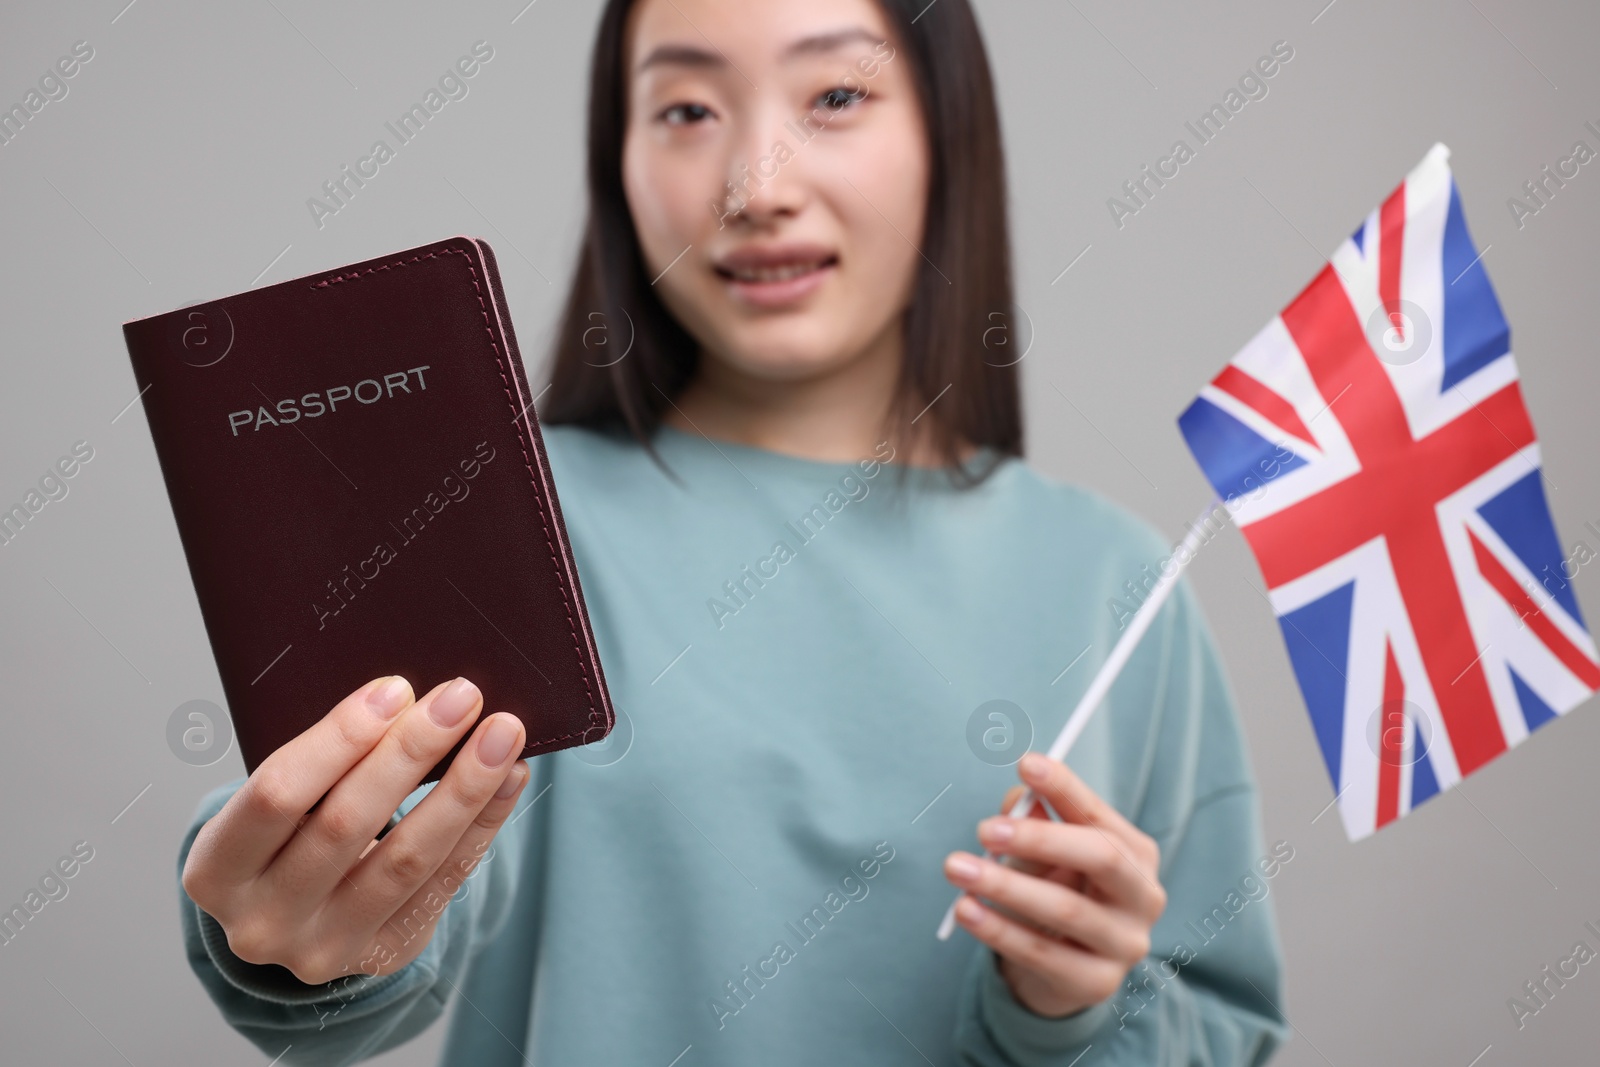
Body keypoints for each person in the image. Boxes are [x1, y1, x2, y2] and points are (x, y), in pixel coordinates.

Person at [176, 0, 1291, 1063]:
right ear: (616, 162)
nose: (757, 187)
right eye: (686, 110)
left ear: (950, 136)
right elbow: (389, 911)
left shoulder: (1117, 578)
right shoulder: (493, 518)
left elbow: (1215, 1024)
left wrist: (1066, 1010)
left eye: (838, 96)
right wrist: (308, 908)